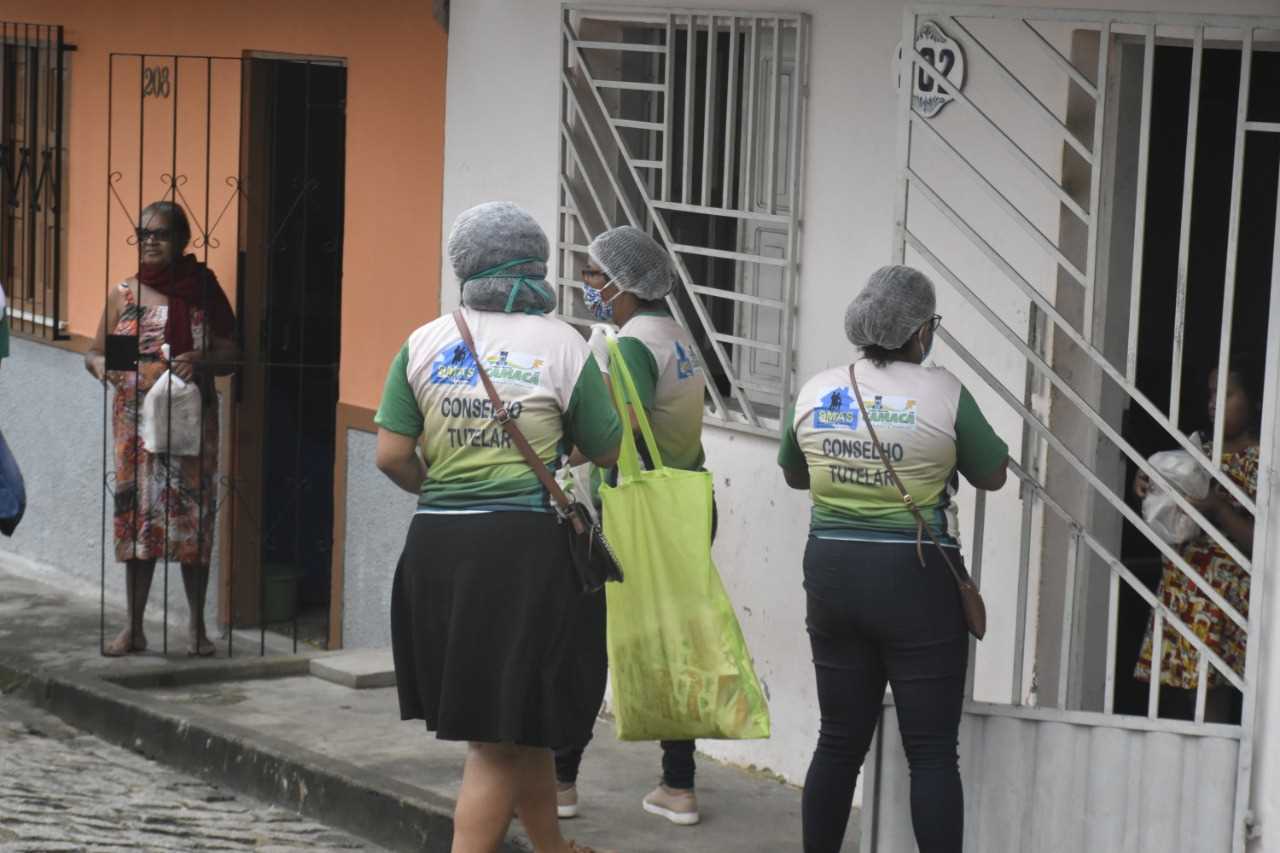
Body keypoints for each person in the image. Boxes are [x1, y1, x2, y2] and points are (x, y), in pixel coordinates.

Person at [376, 201, 621, 853]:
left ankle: (553, 847)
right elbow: (607, 448)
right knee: (494, 739)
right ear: (535, 264)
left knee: (519, 716)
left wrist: (443, 489)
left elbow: (391, 455)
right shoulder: (563, 344)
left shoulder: (424, 342)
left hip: (436, 549)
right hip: (523, 557)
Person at [777, 265, 1008, 853]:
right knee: (931, 752)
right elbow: (992, 473)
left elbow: (795, 474)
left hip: (832, 574)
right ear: (921, 331)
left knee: (837, 741)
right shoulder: (945, 392)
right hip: (917, 579)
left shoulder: (817, 390)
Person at [553, 226, 708, 826]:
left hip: (632, 515)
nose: (587, 284)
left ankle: (562, 782)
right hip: (683, 505)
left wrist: (561, 455)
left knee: (586, 646)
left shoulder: (632, 346)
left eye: (594, 274)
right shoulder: (677, 337)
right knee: (672, 642)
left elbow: (618, 435)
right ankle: (678, 784)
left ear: (623, 283)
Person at [85, 201, 237, 658]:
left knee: (193, 524)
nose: (150, 241)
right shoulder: (125, 294)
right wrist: (104, 367)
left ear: (181, 241)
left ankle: (197, 630)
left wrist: (202, 360)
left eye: (161, 234)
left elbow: (233, 355)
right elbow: (97, 353)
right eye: (144, 233)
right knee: (137, 524)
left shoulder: (203, 291)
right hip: (135, 430)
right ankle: (133, 628)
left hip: (190, 424)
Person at [1132, 355, 1261, 723]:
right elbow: (1167, 499)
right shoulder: (1194, 451)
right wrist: (1146, 482)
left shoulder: (1262, 461)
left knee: (1212, 696)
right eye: (1211, 394)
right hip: (1183, 590)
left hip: (1225, 600)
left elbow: (1263, 543)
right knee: (1180, 694)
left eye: (1227, 394)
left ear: (1254, 401)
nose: (1214, 403)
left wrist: (1218, 508)